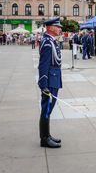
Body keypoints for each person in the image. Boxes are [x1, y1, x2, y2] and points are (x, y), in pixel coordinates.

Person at [37, 17, 62, 148]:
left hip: (54, 79)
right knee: (46, 110)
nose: (60, 29)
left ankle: (47, 135)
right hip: (50, 81)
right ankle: (44, 139)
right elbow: (43, 65)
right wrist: (43, 85)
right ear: (50, 28)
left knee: (49, 110)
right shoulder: (47, 42)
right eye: (58, 27)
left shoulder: (51, 41)